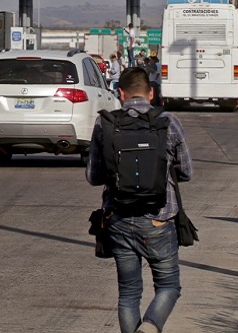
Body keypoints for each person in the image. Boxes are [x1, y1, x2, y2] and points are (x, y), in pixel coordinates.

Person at [87, 67, 193, 333]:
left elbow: (94, 175)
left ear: (120, 93)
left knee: (128, 293)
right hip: (159, 219)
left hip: (119, 219)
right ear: (152, 93)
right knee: (168, 286)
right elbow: (186, 172)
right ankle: (150, 326)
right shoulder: (168, 121)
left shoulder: (105, 123)